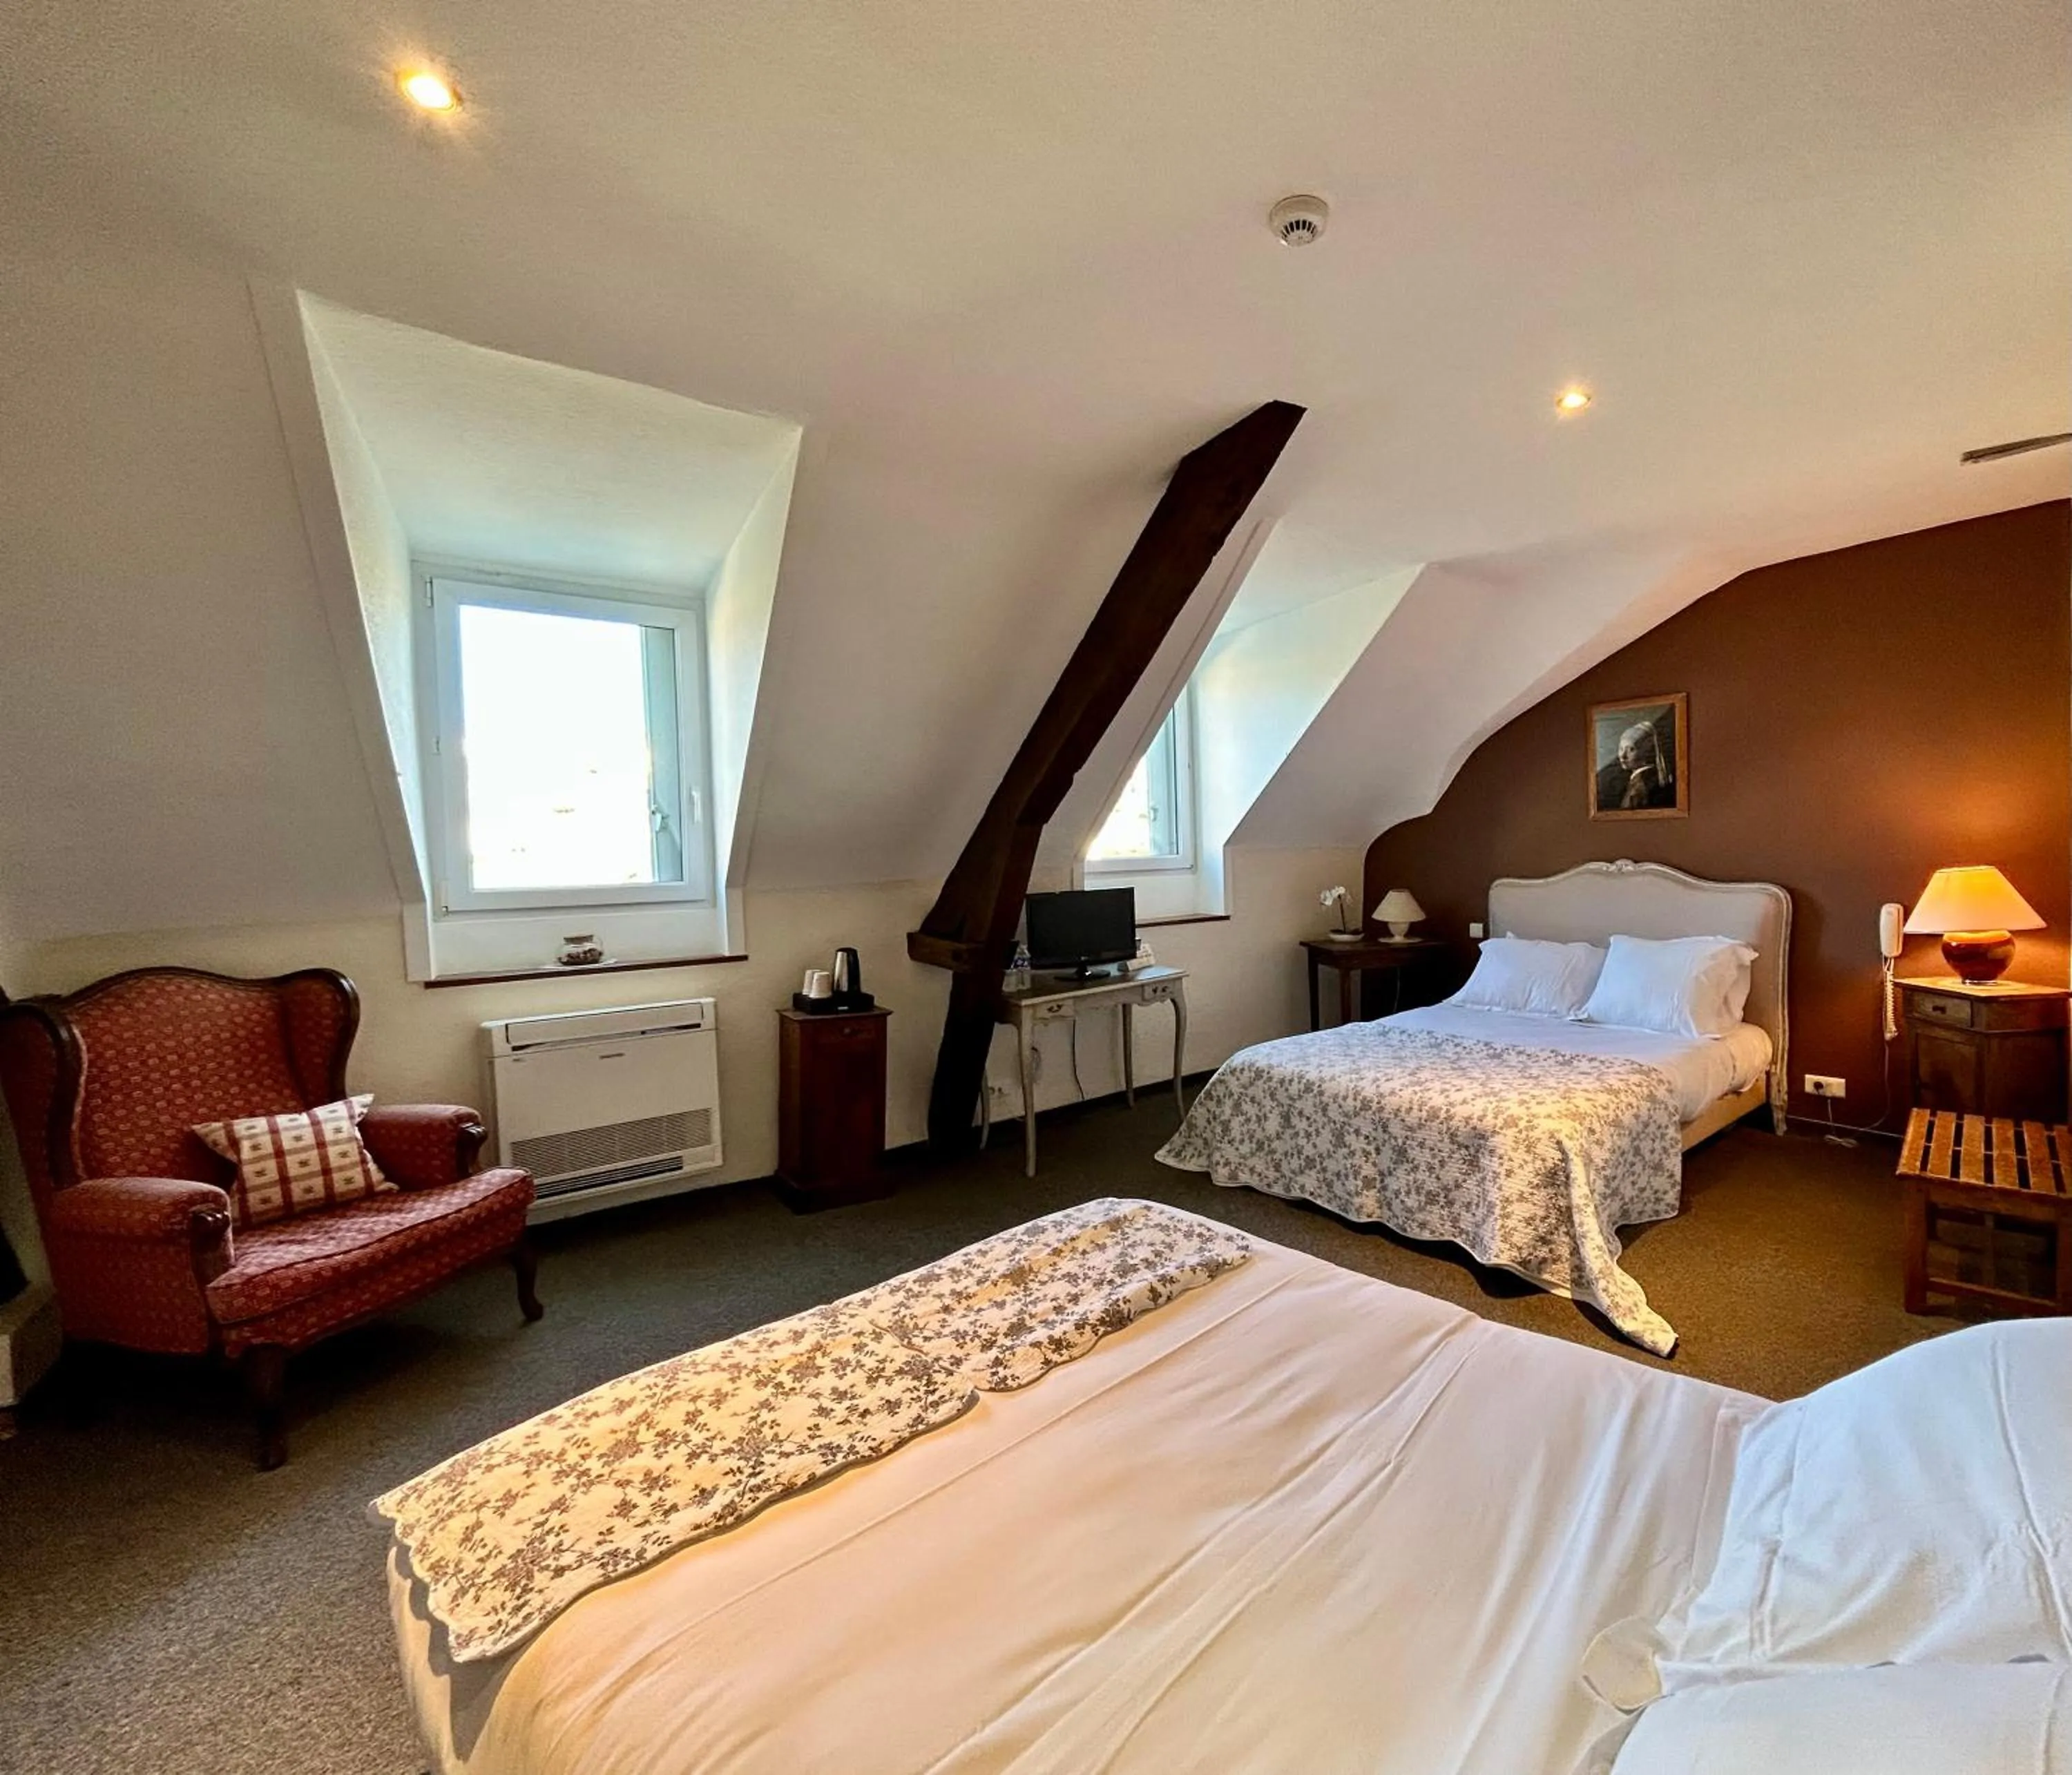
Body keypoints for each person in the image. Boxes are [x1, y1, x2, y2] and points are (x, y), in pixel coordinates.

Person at [1595, 718, 1676, 811]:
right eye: (1621, 749)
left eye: (1631, 750)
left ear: (1647, 751)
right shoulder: (1636, 781)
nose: (1623, 756)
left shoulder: (1641, 786)